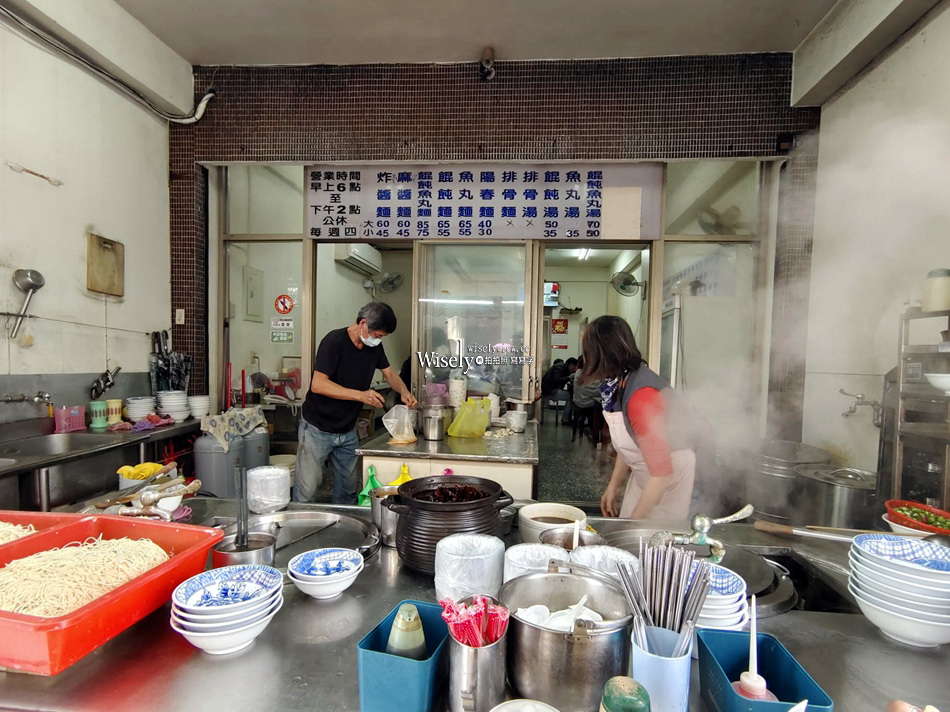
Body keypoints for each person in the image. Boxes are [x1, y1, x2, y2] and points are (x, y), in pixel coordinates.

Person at [296, 302, 417, 504]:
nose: (378, 340)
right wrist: (360, 395)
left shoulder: (374, 347)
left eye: (382, 337)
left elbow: (389, 374)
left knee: (348, 490)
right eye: (377, 335)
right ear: (363, 323)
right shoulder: (334, 341)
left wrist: (404, 391)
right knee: (307, 490)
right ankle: (297, 529)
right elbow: (318, 385)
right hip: (317, 428)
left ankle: (344, 532)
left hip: (346, 429)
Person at [580, 316, 699, 521]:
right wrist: (613, 485)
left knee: (648, 542)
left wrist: (630, 527)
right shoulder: (616, 383)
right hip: (644, 472)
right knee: (629, 534)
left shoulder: (641, 396)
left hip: (669, 479)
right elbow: (629, 445)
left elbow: (662, 474)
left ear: (601, 352)